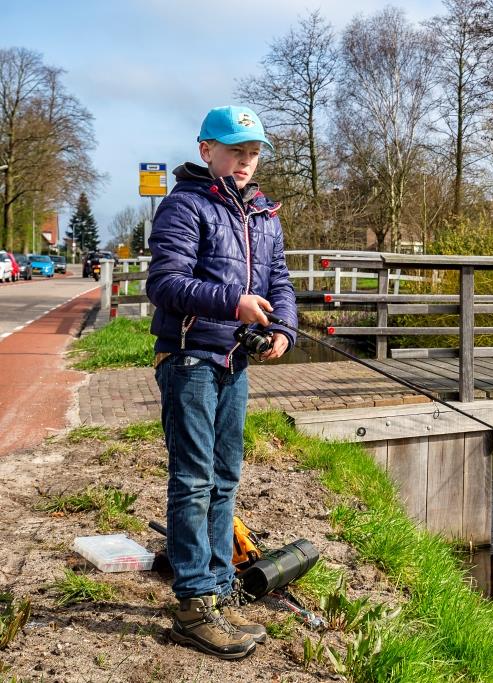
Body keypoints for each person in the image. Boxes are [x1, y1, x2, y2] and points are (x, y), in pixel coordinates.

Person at [146, 105, 297, 660]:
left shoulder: (264, 214)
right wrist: (232, 304)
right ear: (207, 150)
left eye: (253, 153)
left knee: (226, 477)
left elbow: (278, 280)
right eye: (236, 151)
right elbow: (163, 284)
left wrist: (283, 329)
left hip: (236, 362)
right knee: (193, 479)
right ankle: (192, 606)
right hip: (189, 358)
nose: (245, 162)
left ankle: (217, 585)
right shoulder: (184, 206)